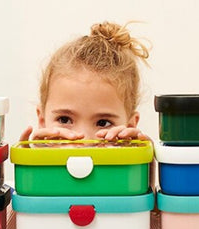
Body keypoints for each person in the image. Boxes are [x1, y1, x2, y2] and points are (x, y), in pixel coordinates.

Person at [20, 21, 150, 142]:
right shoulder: (35, 164)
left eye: (103, 123)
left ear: (130, 125)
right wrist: (30, 164)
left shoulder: (135, 166)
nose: (84, 140)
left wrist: (143, 164)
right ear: (42, 121)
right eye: (64, 120)